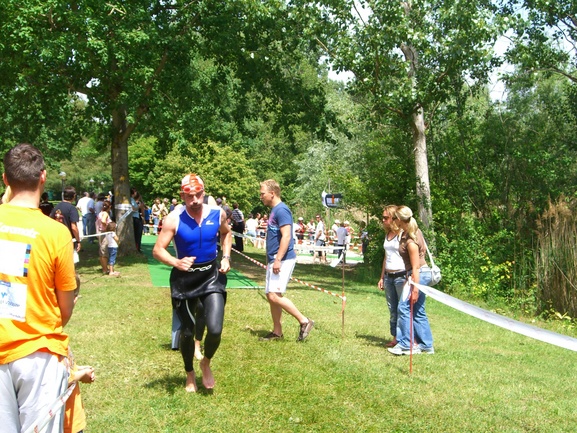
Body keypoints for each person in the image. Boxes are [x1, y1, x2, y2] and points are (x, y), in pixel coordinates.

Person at [0, 143, 77, 433]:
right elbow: (65, 307)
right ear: (43, 177)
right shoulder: (56, 233)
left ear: (5, 179)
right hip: (40, 353)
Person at [153, 173, 232, 392]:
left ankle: (206, 362)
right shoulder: (174, 219)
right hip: (185, 280)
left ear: (203, 193)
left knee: (214, 329)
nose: (195, 200)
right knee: (187, 333)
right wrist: (176, 262)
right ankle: (189, 373)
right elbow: (158, 250)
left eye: (198, 195)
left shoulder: (217, 213)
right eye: (189, 196)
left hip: (211, 276)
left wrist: (226, 257)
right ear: (182, 196)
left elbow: (226, 234)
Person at [259, 179, 314, 342]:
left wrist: (278, 259)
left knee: (274, 295)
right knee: (271, 295)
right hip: (274, 259)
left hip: (282, 260)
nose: (261, 197)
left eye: (262, 194)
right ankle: (277, 332)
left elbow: (287, 236)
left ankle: (304, 321)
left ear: (272, 193)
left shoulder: (282, 210)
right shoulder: (275, 210)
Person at [387, 205, 435, 355]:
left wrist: (415, 288)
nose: (392, 220)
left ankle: (407, 344)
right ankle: (426, 345)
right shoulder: (412, 231)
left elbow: (416, 267)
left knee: (404, 307)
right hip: (417, 273)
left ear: (399, 219)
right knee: (418, 310)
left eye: (394, 218)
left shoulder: (411, 240)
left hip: (418, 274)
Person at [377, 205, 405, 348]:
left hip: (401, 276)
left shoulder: (403, 234)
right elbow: (386, 257)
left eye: (386, 218)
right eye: (382, 217)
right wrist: (382, 277)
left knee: (403, 309)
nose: (383, 220)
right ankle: (395, 337)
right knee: (392, 309)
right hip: (388, 276)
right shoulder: (387, 235)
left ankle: (405, 338)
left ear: (394, 218)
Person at [51, 186, 82, 254]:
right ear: (74, 196)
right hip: (68, 240)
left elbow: (50, 221)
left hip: (57, 239)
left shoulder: (56, 207)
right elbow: (73, 227)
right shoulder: (72, 208)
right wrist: (78, 241)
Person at [96, 201, 112, 274]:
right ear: (110, 207)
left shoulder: (100, 213)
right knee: (104, 251)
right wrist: (107, 227)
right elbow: (103, 221)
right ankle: (105, 269)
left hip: (100, 233)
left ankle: (104, 268)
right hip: (104, 233)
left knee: (101, 251)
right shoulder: (105, 213)